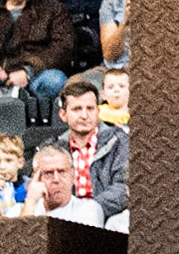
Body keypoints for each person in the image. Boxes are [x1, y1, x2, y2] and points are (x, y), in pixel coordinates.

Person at [54, 78, 129, 220]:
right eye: (77, 109)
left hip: (108, 216)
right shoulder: (55, 149)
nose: (84, 115)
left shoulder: (119, 142)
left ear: (98, 111)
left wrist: (89, 210)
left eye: (90, 108)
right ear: (63, 115)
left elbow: (123, 187)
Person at [18, 144, 106, 226]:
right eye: (48, 173)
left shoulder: (89, 209)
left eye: (62, 172)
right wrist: (30, 202)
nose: (56, 179)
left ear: (73, 176)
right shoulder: (21, 210)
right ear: (36, 179)